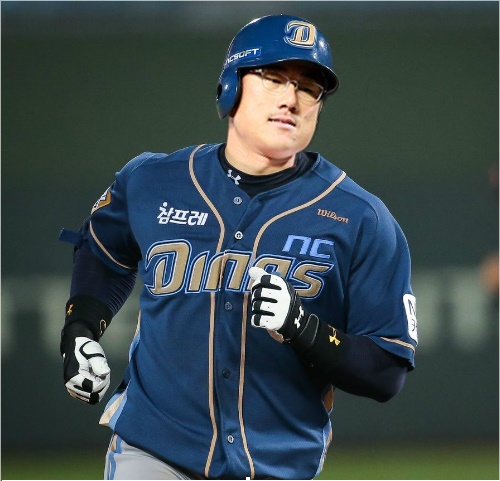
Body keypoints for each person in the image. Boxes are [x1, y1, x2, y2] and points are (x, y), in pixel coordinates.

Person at [59, 14, 417, 480]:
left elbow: (386, 370)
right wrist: (81, 329)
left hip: (276, 465)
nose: (291, 99)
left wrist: (303, 328)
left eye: (309, 88)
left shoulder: (361, 218)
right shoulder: (152, 181)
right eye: (273, 78)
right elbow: (102, 251)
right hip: (153, 449)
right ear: (231, 87)